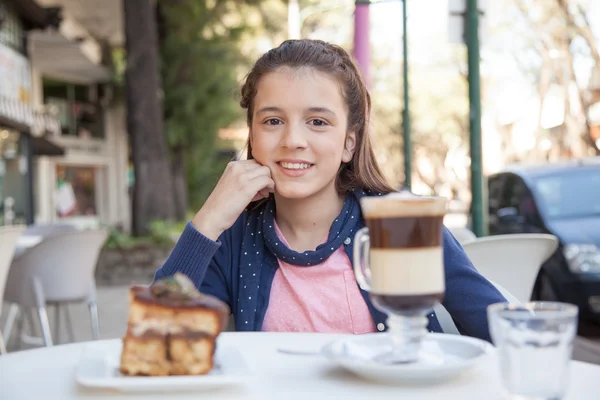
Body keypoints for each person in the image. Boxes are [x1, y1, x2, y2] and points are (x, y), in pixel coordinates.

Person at [155, 39, 505, 341]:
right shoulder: (232, 237)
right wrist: (209, 220)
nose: (293, 140)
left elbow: (503, 332)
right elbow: (160, 340)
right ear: (252, 135)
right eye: (273, 121)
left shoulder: (402, 223)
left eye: (317, 122)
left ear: (349, 143)